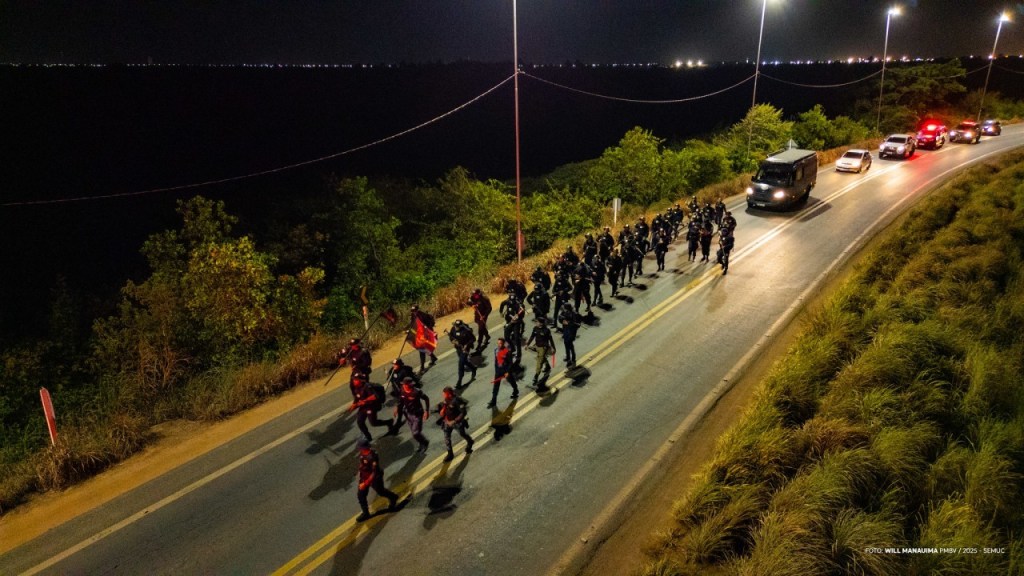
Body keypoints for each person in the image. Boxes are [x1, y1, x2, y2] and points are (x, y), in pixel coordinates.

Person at [355, 438, 399, 522]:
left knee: (381, 491)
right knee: (361, 495)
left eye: (360, 447)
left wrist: (366, 483)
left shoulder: (372, 457)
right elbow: (362, 464)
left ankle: (393, 497)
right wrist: (359, 473)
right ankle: (365, 513)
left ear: (364, 448)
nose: (359, 449)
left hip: (374, 478)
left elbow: (374, 472)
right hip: (364, 477)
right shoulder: (363, 453)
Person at [349, 374, 395, 443]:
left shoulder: (367, 386)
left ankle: (389, 422)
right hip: (363, 407)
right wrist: (353, 405)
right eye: (353, 380)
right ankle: (368, 437)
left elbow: (375, 396)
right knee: (360, 421)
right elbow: (357, 397)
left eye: (355, 380)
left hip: (371, 406)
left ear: (360, 380)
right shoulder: (356, 388)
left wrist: (364, 401)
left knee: (373, 423)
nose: (354, 381)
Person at [437, 387, 474, 461]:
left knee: (462, 434)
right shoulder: (446, 400)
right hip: (447, 421)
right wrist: (442, 410)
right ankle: (450, 454)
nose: (443, 395)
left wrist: (455, 421)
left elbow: (463, 412)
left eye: (445, 394)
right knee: (447, 437)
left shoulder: (457, 400)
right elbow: (444, 410)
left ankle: (470, 441)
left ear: (449, 394)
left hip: (456, 422)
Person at [395, 378, 431, 452]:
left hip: (417, 414)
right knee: (414, 433)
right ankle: (421, 443)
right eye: (403, 384)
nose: (403, 386)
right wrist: (397, 407)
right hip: (408, 414)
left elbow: (426, 399)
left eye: (405, 384)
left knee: (415, 433)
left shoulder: (416, 392)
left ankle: (425, 442)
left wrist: (426, 411)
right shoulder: (402, 390)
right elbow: (401, 400)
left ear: (409, 384)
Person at [525, 317, 557, 392]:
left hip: (543, 347)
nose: (536, 323)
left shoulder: (546, 330)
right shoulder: (535, 328)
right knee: (541, 358)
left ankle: (536, 376)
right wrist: (528, 344)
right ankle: (548, 366)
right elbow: (532, 336)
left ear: (541, 323)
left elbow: (550, 339)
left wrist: (553, 347)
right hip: (537, 346)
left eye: (537, 322)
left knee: (539, 362)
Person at [487, 338, 519, 408]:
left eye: (500, 343)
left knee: (511, 381)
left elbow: (510, 363)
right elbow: (496, 361)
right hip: (498, 370)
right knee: (496, 386)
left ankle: (515, 390)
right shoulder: (496, 350)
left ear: (503, 344)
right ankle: (493, 401)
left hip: (505, 370)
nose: (499, 345)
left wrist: (507, 372)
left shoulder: (507, 351)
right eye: (498, 343)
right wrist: (496, 370)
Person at [448, 319, 478, 388]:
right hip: (458, 348)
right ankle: (473, 368)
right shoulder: (453, 328)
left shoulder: (466, 331)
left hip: (465, 349)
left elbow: (473, 339)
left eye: (458, 326)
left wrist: (467, 345)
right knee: (464, 361)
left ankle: (459, 381)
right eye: (455, 326)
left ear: (461, 326)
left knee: (460, 363)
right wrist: (453, 341)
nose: (456, 327)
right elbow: (451, 336)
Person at [499, 293, 526, 367]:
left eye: (512, 301)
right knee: (506, 336)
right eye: (510, 300)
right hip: (510, 321)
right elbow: (502, 304)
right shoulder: (507, 301)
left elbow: (522, 313)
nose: (511, 302)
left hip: (516, 323)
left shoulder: (518, 305)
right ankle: (512, 348)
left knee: (517, 338)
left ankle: (519, 353)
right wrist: (501, 312)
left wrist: (518, 318)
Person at [409, 305, 438, 372]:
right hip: (420, 336)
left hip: (425, 335)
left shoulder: (423, 315)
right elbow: (412, 325)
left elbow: (429, 325)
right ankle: (433, 358)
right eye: (412, 311)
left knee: (422, 349)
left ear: (417, 310)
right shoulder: (413, 316)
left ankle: (422, 366)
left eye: (414, 311)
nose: (413, 312)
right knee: (422, 348)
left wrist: (426, 331)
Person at [557, 302, 581, 368]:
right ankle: (568, 357)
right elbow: (559, 318)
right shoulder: (564, 312)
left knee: (569, 344)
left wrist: (569, 323)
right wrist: (563, 321)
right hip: (566, 330)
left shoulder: (574, 314)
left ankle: (572, 358)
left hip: (572, 332)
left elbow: (577, 324)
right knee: (566, 344)